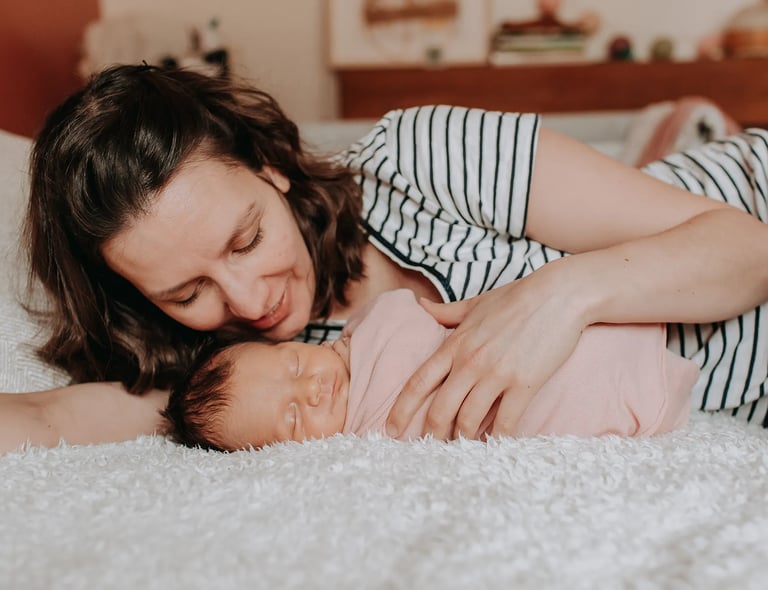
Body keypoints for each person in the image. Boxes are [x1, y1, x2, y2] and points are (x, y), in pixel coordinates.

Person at [3, 63, 768, 453]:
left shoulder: (420, 159)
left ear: (270, 168)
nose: (245, 299)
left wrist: (557, 298)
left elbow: (745, 247)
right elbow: (48, 417)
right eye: (185, 289)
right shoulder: (254, 379)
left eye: (246, 239)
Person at [163, 289, 697, 451]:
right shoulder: (364, 441)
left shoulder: (369, 321)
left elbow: (429, 313)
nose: (314, 388)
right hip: (573, 408)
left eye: (296, 365)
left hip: (584, 326)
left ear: (298, 342)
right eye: (294, 418)